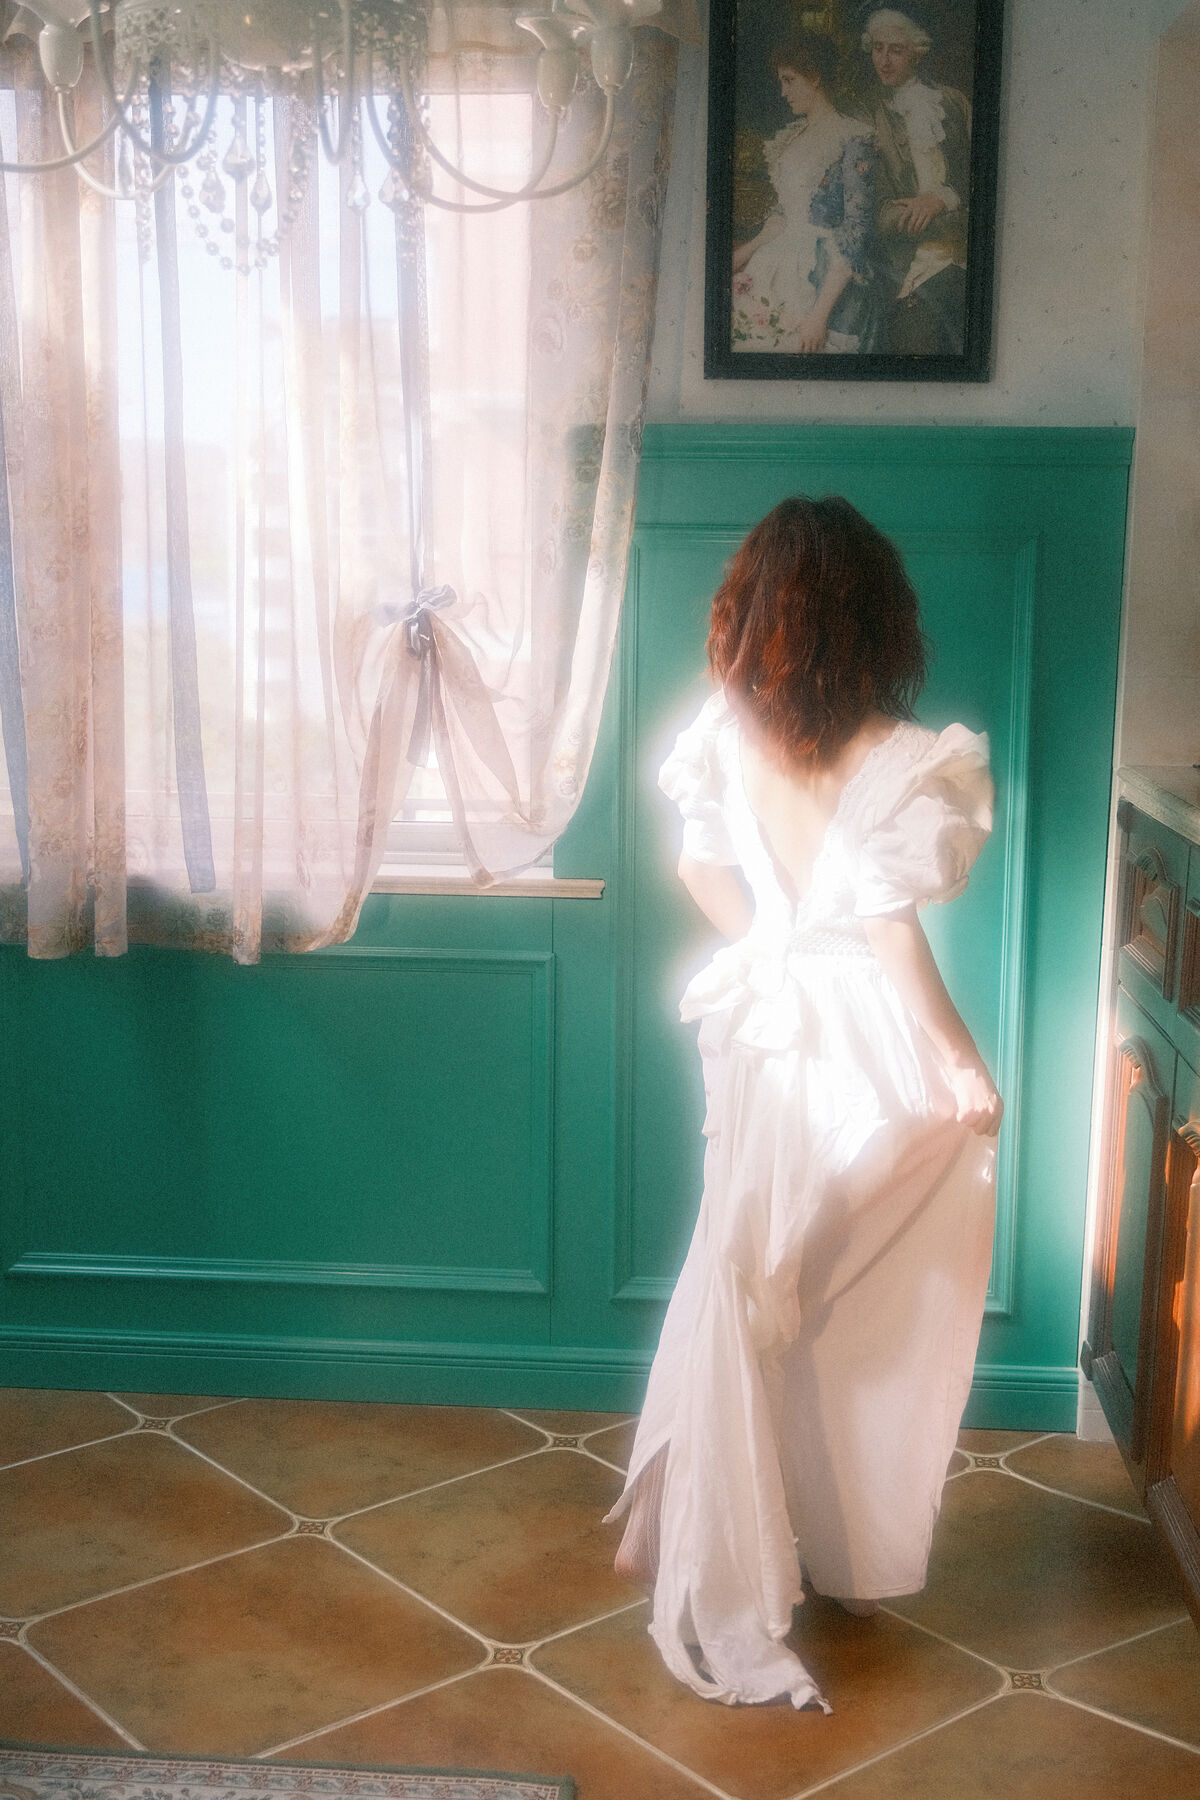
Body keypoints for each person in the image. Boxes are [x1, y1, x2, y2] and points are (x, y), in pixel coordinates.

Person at [606, 496, 1001, 1711]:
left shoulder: (727, 737)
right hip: (857, 1044)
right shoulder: (900, 756)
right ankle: (844, 1557)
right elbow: (888, 931)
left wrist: (768, 940)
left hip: (762, 1029)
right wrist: (962, 1062)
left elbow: (697, 866)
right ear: (876, 618)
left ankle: (723, 1526)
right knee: (851, 1306)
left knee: (749, 1270)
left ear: (752, 613)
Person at [731, 32, 878, 355]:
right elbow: (783, 212)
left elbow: (857, 230)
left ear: (815, 77)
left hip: (823, 270)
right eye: (780, 82)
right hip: (776, 260)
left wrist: (819, 315)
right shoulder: (792, 138)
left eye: (790, 80)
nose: (783, 93)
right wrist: (745, 252)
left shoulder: (853, 137)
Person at [861, 6, 972, 354]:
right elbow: (878, 213)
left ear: (918, 52)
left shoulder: (954, 103)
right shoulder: (865, 114)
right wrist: (951, 219)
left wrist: (943, 199)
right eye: (877, 48)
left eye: (896, 50)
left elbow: (978, 180)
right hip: (908, 266)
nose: (884, 60)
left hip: (966, 258)